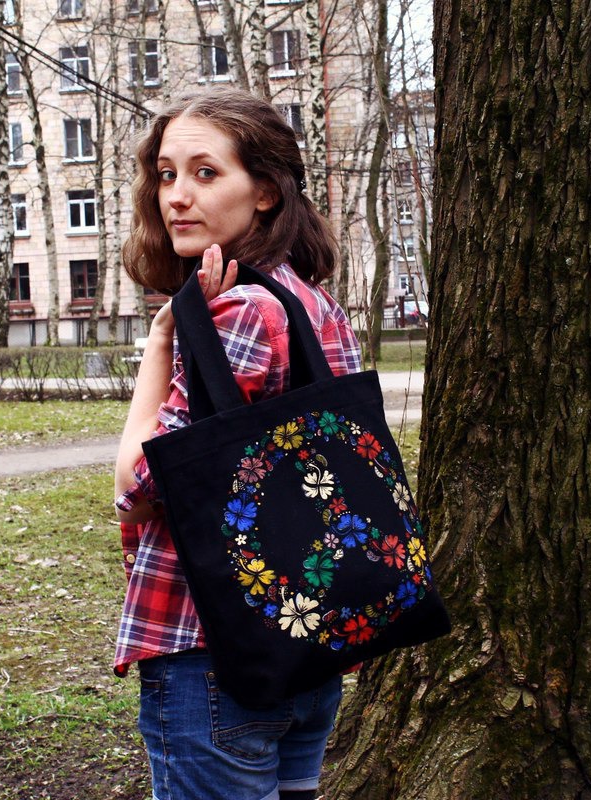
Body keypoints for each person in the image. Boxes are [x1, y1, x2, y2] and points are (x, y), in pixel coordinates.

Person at [113, 86, 362, 800]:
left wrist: (161, 342)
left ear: (265, 192)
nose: (176, 196)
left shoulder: (237, 312)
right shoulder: (309, 301)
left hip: (216, 653)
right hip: (308, 642)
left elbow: (136, 487)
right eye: (166, 174)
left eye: (206, 172)